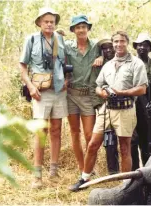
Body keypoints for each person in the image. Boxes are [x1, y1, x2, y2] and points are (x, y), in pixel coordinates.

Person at [68, 31, 148, 191]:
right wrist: (102, 92)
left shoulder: (136, 63)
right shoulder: (108, 64)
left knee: (125, 147)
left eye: (122, 41)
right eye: (116, 41)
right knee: (93, 144)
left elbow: (142, 89)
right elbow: (98, 85)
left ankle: (126, 186)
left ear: (127, 42)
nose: (119, 44)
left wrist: (122, 92)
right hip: (107, 108)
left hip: (125, 108)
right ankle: (84, 178)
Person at [19, 7, 68, 188]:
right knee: (41, 132)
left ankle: (53, 173)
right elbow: (23, 66)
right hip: (40, 92)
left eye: (52, 21)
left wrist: (67, 80)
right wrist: (30, 86)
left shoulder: (60, 39)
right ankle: (37, 175)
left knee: (56, 130)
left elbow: (66, 63)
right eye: (46, 21)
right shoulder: (31, 39)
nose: (49, 24)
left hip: (59, 91)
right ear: (39, 22)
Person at [64, 15, 103, 172]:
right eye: (78, 27)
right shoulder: (67, 47)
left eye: (84, 27)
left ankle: (89, 168)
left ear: (88, 28)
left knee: (89, 135)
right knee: (75, 133)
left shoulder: (96, 47)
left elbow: (111, 51)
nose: (81, 30)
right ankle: (82, 168)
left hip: (88, 95)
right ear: (73, 30)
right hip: (71, 95)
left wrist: (101, 57)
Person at [89, 37, 119, 175]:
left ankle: (129, 170)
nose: (108, 50)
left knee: (129, 139)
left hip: (123, 105)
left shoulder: (122, 60)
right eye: (104, 49)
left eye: (110, 47)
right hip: (105, 105)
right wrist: (99, 105)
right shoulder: (98, 64)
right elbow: (94, 85)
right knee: (110, 138)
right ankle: (113, 171)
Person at [131, 32, 151, 170]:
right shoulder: (130, 62)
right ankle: (134, 172)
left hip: (150, 105)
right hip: (134, 103)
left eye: (145, 45)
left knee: (147, 141)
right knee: (132, 140)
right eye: (139, 45)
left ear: (149, 48)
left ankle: (147, 171)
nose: (142, 48)